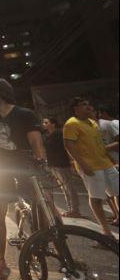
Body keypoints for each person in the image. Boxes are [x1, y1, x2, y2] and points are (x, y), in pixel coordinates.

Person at [0, 78, 47, 280]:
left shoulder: (26, 114)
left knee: (43, 205)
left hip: (25, 167)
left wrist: (42, 165)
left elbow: (36, 143)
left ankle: (45, 241)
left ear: (0, 94)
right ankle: (0, 264)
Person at [63, 98, 120, 234]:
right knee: (96, 198)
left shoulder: (92, 123)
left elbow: (100, 145)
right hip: (91, 166)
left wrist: (111, 160)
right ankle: (106, 232)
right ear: (75, 109)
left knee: (117, 192)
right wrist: (82, 165)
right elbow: (69, 146)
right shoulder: (71, 124)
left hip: (106, 163)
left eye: (89, 104)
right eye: (83, 105)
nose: (88, 107)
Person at [41, 117, 82, 218]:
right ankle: (71, 209)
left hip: (62, 164)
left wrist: (72, 161)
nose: (43, 124)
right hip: (53, 164)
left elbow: (67, 148)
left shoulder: (59, 134)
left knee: (69, 187)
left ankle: (75, 210)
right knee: (64, 188)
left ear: (53, 124)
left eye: (46, 122)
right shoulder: (48, 135)